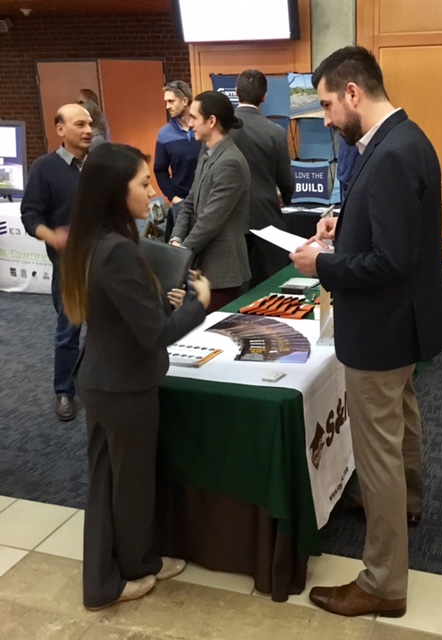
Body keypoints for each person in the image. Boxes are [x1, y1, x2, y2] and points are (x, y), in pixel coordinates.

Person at [290, 46, 442, 618]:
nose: (327, 118)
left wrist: (323, 265)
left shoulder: (386, 156)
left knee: (375, 450)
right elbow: (394, 236)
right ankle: (405, 503)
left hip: (381, 329)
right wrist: (344, 225)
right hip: (405, 326)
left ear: (353, 93)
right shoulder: (404, 138)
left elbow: (390, 263)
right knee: (402, 419)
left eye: (329, 104)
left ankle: (383, 581)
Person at [60, 143, 211, 610]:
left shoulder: (95, 240)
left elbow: (126, 314)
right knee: (131, 483)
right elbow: (155, 334)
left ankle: (122, 569)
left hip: (104, 378)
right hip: (123, 385)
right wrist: (197, 304)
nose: (154, 192)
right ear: (114, 190)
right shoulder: (116, 251)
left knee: (110, 479)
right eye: (144, 183)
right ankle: (129, 571)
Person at [20, 103, 93, 421]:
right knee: (69, 330)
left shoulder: (102, 164)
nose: (89, 130)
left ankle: (99, 384)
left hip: (107, 260)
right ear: (61, 129)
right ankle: (65, 392)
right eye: (80, 124)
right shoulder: (44, 168)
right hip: (70, 266)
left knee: (108, 329)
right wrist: (51, 236)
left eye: (90, 123)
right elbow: (30, 215)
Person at [169, 91, 251, 312]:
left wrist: (179, 253)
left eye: (194, 117)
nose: (190, 123)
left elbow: (210, 221)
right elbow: (189, 202)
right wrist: (176, 238)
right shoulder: (208, 152)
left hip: (222, 275)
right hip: (202, 270)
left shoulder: (230, 162)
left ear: (211, 120)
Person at [230, 69, 295, 286]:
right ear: (264, 96)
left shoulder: (220, 129)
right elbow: (286, 180)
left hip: (228, 220)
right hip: (266, 220)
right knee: (271, 287)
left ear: (236, 91)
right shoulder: (275, 132)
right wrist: (286, 197)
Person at [154, 80, 202, 223]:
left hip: (207, 201)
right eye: (166, 102)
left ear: (185, 101)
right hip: (181, 202)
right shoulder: (164, 134)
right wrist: (174, 198)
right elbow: (160, 170)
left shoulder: (203, 127)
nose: (167, 106)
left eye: (171, 101)